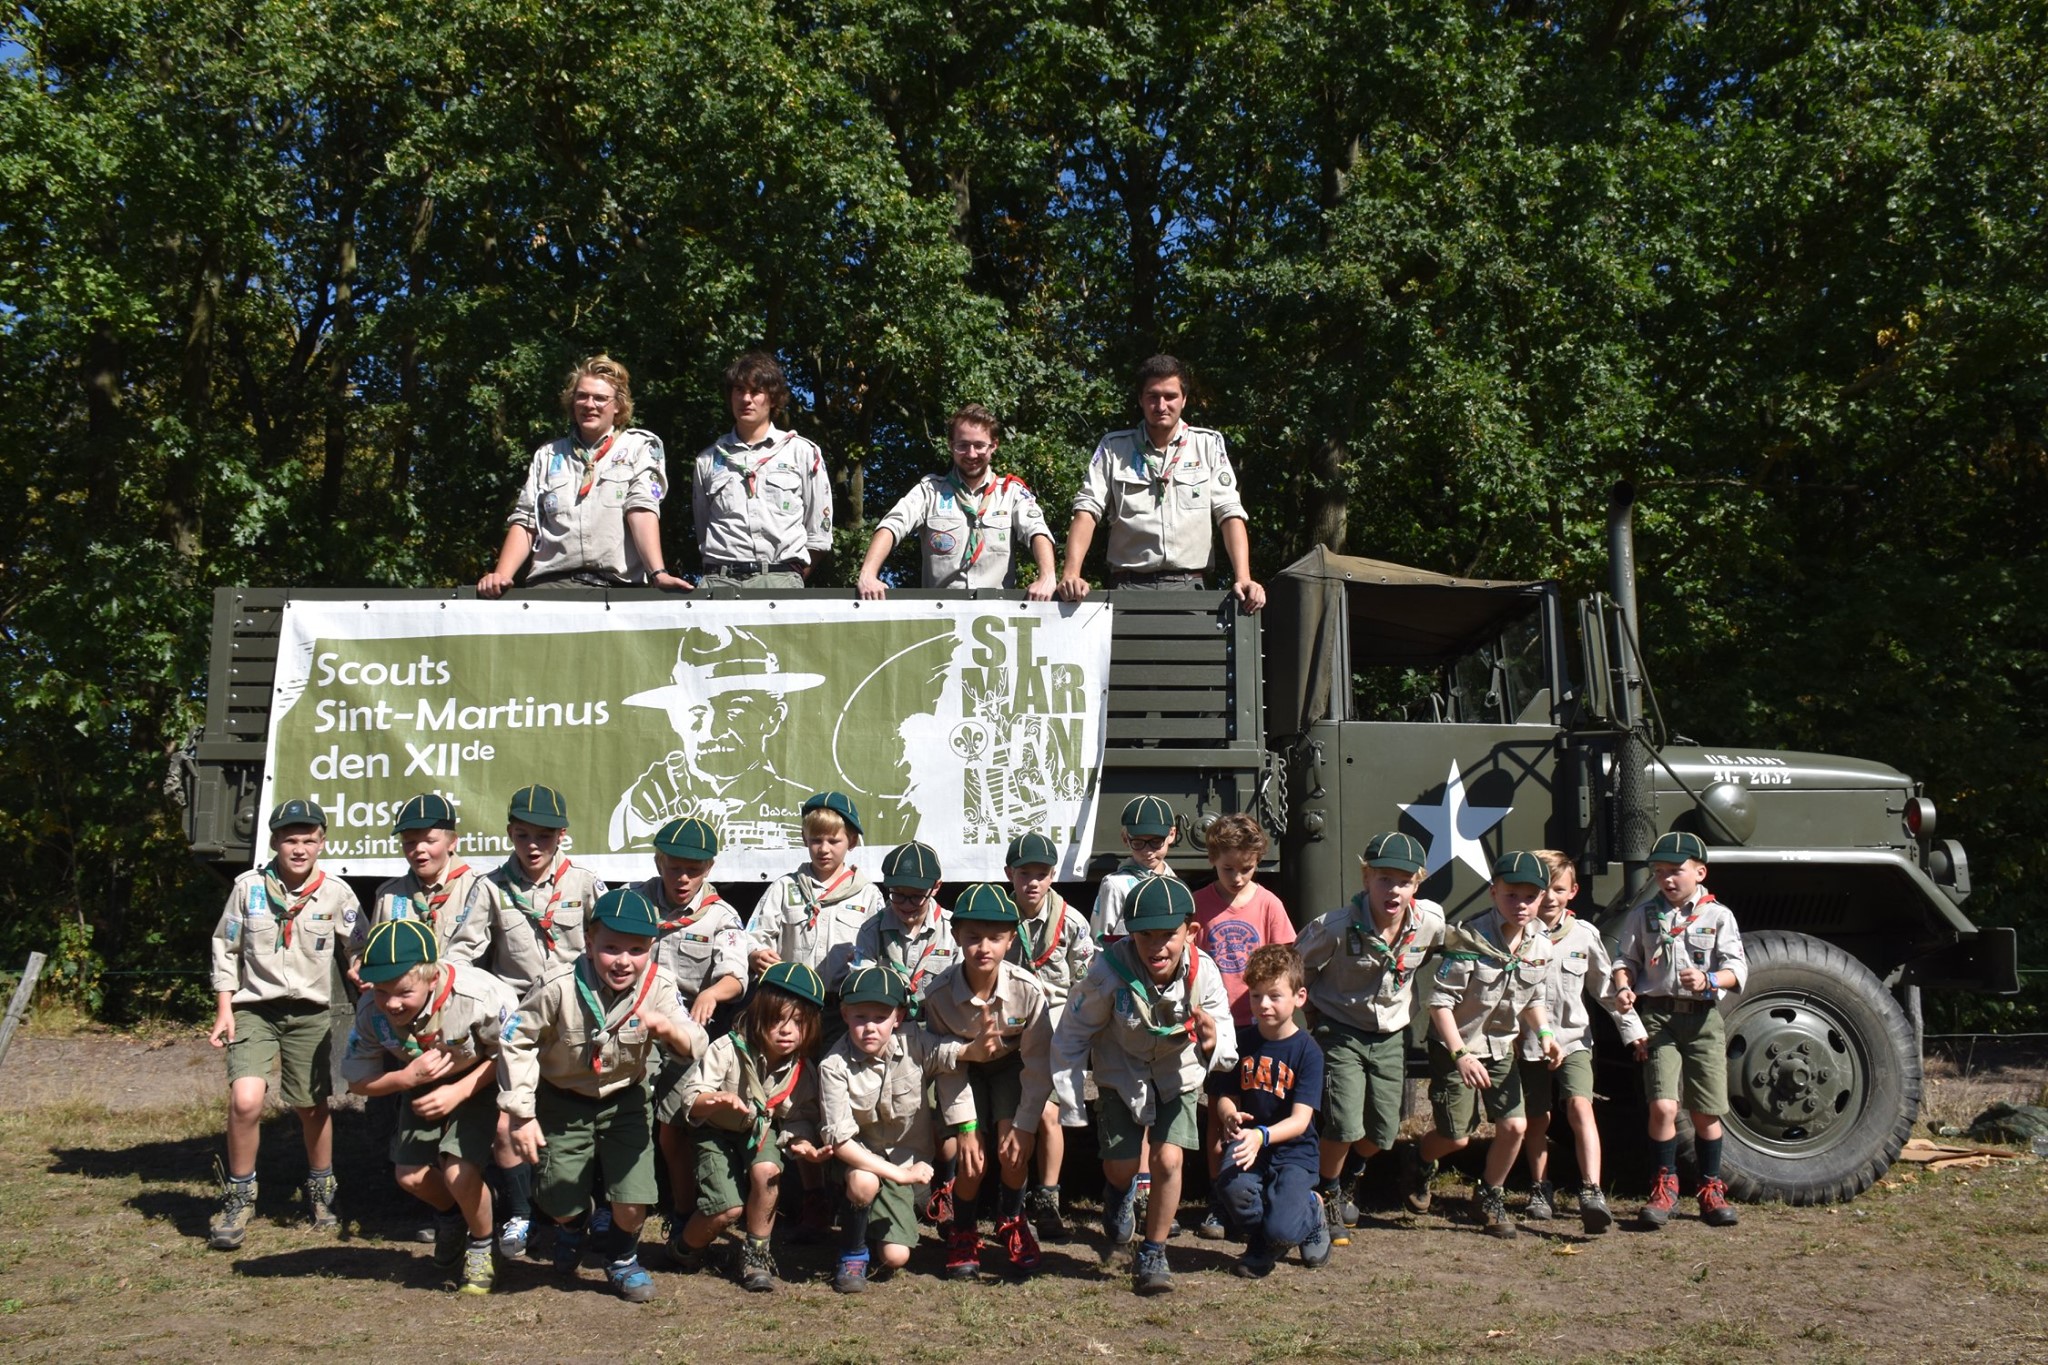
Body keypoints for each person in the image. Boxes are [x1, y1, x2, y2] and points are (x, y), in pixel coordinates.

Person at [499, 888, 709, 1302]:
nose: (623, 961)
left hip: (624, 1100)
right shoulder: (557, 985)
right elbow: (516, 1041)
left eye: (636, 949)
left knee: (633, 1204)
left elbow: (696, 1039)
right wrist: (521, 1113)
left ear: (651, 948)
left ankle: (621, 1259)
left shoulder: (659, 985)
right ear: (590, 941)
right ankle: (574, 1226)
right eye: (611, 948)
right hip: (563, 1100)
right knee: (559, 1199)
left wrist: (670, 1032)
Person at [1052, 876, 1235, 1295]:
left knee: (1168, 1160)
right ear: (1130, 935)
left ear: (1190, 932)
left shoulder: (1203, 971)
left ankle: (1153, 1252)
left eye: (1168, 935)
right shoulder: (1108, 972)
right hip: (1123, 1070)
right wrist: (1071, 1100)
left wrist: (1213, 1041)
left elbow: (1223, 1029)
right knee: (1121, 1164)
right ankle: (1118, 1192)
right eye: (1145, 936)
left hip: (1177, 1071)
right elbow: (1072, 1032)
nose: (1157, 947)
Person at [454, 782, 606, 1258]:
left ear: (562, 835)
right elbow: (461, 953)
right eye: (523, 835)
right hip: (518, 1018)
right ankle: (520, 1212)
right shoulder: (490, 888)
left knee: (582, 1113)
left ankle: (591, 1206)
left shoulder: (583, 884)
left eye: (543, 835)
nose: (533, 845)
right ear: (510, 834)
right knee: (509, 1120)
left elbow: (607, 944)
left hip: (573, 1016)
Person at [205, 798, 361, 1251]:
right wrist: (223, 1007)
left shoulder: (336, 892)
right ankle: (239, 1196)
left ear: (322, 844)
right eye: (290, 840)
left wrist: (357, 968)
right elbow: (225, 949)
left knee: (312, 1106)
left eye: (308, 840)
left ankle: (321, 1192)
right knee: (246, 1100)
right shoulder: (248, 889)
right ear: (274, 842)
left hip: (309, 1012)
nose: (299, 849)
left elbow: (357, 942)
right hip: (255, 1008)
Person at [341, 920, 517, 1295]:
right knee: (408, 1175)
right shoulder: (372, 1010)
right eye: (382, 990)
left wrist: (460, 1091)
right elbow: (356, 1079)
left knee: (457, 1172)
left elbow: (513, 1054)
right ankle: (454, 1217)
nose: (390, 1002)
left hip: (480, 1080)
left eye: (403, 992)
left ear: (432, 978)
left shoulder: (479, 996)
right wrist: (406, 1079)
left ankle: (483, 1244)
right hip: (419, 1083)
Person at [1294, 831, 1446, 1247]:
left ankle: (1351, 1174)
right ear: (1366, 879)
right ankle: (1327, 1192)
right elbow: (1296, 966)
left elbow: (1441, 954)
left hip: (1391, 1032)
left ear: (1417, 883)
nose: (1392, 889)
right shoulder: (1337, 926)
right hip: (1340, 1028)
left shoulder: (1430, 922)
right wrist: (1310, 1014)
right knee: (1343, 1122)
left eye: (1403, 880)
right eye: (1383, 878)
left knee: (1382, 1131)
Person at [818, 964, 1002, 1293]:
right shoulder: (833, 1066)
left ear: (898, 1017)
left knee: (896, 1257)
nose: (869, 1028)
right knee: (863, 1181)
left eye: (880, 1017)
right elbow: (842, 1141)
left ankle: (873, 1219)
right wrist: (899, 1175)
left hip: (904, 1162)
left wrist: (976, 1049)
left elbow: (948, 1053)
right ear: (844, 1015)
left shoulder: (913, 1040)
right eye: (860, 1017)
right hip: (860, 1163)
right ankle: (852, 1249)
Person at [1412, 851, 1566, 1238]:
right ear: (1494, 892)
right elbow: (1440, 1003)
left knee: (1514, 1125)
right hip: (1456, 1045)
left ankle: (1489, 1195)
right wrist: (1460, 1055)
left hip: (1498, 1047)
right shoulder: (1470, 938)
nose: (1521, 904)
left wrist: (1546, 1035)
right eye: (1512, 895)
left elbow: (1532, 1000)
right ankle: (1418, 1162)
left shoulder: (1540, 944)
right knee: (1456, 1136)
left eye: (1530, 896)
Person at [919, 883, 1056, 1281]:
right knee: (972, 1160)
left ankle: (1011, 1220)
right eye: (974, 936)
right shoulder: (940, 994)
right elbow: (940, 1061)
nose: (984, 947)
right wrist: (964, 1127)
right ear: (957, 935)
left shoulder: (1027, 991)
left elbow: (1037, 1061)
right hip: (962, 1071)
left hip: (1010, 1069)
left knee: (1013, 1152)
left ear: (1011, 939)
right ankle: (963, 1230)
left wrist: (1027, 1123)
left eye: (996, 938)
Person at [1613, 830, 1749, 1230]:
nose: (1668, 880)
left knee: (1706, 1111)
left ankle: (1710, 1188)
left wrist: (1709, 980)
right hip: (1658, 1017)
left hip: (1703, 1019)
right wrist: (1623, 985)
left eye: (1676, 871)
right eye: (1659, 873)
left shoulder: (1717, 915)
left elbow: (1737, 968)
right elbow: (1625, 959)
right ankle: (1664, 1185)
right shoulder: (1644, 915)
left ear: (1699, 871)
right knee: (1663, 1105)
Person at [1057, 354, 1263, 610]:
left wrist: (1243, 577)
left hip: (1190, 589)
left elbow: (1229, 513)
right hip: (1126, 589)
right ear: (1141, 400)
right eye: (1153, 396)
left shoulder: (1208, 445)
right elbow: (1086, 511)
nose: (1161, 405)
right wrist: (1071, 573)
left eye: (1170, 396)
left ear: (1184, 399)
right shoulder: (1113, 447)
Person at [675, 961, 832, 1291]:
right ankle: (684, 1248)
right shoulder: (728, 1048)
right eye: (777, 1020)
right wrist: (715, 1100)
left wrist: (801, 1143)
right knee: (726, 1209)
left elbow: (799, 1116)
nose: (786, 1031)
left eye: (798, 1023)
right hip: (715, 1131)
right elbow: (691, 1096)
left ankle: (757, 1253)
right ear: (758, 1014)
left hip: (760, 1130)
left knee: (768, 1174)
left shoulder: (803, 1069)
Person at [635, 817, 750, 1259]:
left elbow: (736, 974)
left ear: (709, 867)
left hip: (689, 1035)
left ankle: (682, 1211)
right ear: (658, 861)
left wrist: (711, 992)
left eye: (694, 869)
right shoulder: (633, 901)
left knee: (674, 1128)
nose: (682, 878)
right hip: (636, 1028)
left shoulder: (720, 915)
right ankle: (613, 1208)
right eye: (674, 867)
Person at [477, 354, 684, 595]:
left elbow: (642, 508)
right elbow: (526, 521)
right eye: (582, 396)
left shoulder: (640, 447)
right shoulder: (548, 455)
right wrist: (500, 577)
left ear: (618, 405)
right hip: (551, 588)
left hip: (618, 589)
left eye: (600, 398)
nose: (589, 404)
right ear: (572, 402)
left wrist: (657, 573)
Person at [1517, 849, 1642, 1234]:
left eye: (1558, 888)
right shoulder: (1517, 935)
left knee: (1580, 1107)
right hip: (1527, 1043)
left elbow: (1607, 991)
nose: (1550, 898)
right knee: (1536, 1118)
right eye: (1543, 889)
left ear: (1572, 891)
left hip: (1573, 1040)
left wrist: (1633, 1030)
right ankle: (1540, 1188)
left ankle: (1592, 1190)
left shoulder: (1584, 936)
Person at [612, 626, 827, 850]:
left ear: (774, 716)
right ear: (675, 719)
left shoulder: (804, 809)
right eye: (697, 712)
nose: (712, 731)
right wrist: (643, 819)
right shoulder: (642, 806)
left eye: (734, 712)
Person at [1190, 812, 1296, 1239]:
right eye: (1227, 868)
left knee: (1260, 1107)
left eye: (1246, 869)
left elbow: (1283, 963)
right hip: (1218, 1026)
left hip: (1260, 1024)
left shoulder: (1269, 904)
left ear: (1258, 862)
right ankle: (1221, 1196)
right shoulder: (1198, 902)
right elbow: (1189, 962)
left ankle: (1255, 1191)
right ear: (1213, 860)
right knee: (1220, 1112)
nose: (1236, 877)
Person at [1208, 943, 1331, 1276]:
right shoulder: (1242, 1042)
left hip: (1293, 1150)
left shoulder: (1308, 1051)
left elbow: (1301, 1120)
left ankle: (1310, 1209)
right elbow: (1225, 1095)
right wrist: (1228, 1115)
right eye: (1255, 996)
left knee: (1283, 1229)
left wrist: (1262, 1136)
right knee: (1231, 1190)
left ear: (1299, 997)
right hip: (1251, 1145)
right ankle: (1272, 1230)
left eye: (1274, 996)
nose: (1263, 1005)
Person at [857, 404, 1056, 598]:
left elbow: (1037, 531)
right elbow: (892, 525)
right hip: (941, 618)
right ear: (951, 445)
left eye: (979, 445)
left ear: (994, 445)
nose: (971, 454)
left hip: (996, 619)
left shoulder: (1011, 493)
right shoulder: (929, 491)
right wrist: (868, 574)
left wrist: (1047, 576)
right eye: (962, 445)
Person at [1003, 832, 1094, 1237]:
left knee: (1047, 1112)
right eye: (1024, 874)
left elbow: (1086, 983)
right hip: (1010, 1026)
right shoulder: (1000, 919)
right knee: (1010, 1113)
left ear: (1053, 875)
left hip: (1056, 1029)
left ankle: (1049, 1198)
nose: (1032, 883)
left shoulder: (1072, 923)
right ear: (1010, 875)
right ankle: (1011, 1199)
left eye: (1041, 874)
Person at [692, 350, 832, 589]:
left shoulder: (802, 452)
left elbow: (818, 534)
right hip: (719, 582)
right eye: (739, 390)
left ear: (773, 398)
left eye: (756, 391)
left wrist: (788, 577)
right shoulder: (707, 459)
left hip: (781, 579)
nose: (746, 399)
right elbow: (703, 528)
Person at [744, 791, 883, 997]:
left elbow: (880, 953)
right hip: (791, 1000)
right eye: (816, 840)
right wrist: (754, 953)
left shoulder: (868, 895)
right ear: (804, 839)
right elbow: (753, 935)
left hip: (844, 1005)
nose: (823, 849)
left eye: (834, 841)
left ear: (852, 842)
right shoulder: (784, 887)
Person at [362, 793, 485, 964]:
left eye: (429, 840)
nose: (419, 849)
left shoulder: (480, 890)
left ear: (452, 842)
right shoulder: (389, 895)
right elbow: (376, 956)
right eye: (409, 842)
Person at [851, 841, 959, 1014]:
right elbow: (863, 988)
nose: (906, 905)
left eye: (916, 897)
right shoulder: (871, 931)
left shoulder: (954, 929)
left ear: (936, 887)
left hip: (938, 1024)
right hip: (888, 1023)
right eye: (898, 895)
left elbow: (961, 989)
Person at [1091, 795, 1182, 943]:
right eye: (1138, 842)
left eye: (1156, 842)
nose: (1148, 851)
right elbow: (1100, 939)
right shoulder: (1115, 885)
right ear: (1125, 839)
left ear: (1171, 835)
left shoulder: (1176, 882)